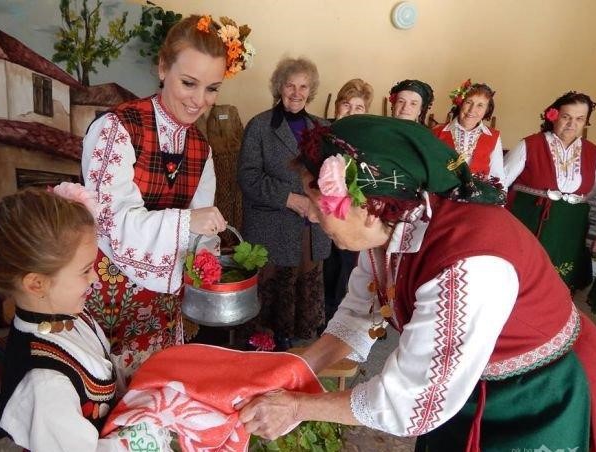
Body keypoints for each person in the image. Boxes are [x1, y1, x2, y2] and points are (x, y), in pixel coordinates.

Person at [237, 115, 596, 451]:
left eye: (319, 205)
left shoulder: (469, 265)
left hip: (535, 395)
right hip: (462, 386)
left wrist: (297, 407)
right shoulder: (395, 223)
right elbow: (362, 313)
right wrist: (299, 369)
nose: (311, 216)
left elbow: (410, 404)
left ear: (368, 205)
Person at [82, 15, 253, 374]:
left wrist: (208, 267)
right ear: (162, 68)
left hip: (162, 304)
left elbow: (201, 230)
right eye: (189, 83)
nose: (199, 101)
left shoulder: (200, 147)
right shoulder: (116, 129)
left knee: (158, 390)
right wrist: (189, 220)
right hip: (104, 295)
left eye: (212, 88)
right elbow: (112, 223)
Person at [0, 185, 172, 451]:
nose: (95, 278)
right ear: (36, 284)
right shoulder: (45, 384)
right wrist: (146, 440)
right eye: (85, 270)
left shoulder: (71, 315)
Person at [237, 57, 330, 350]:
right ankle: (264, 346)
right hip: (272, 227)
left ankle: (295, 351)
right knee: (272, 296)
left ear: (311, 90)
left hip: (311, 229)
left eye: (304, 86)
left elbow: (332, 174)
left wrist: (322, 203)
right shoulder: (260, 126)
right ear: (280, 87)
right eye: (290, 85)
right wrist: (290, 199)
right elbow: (247, 178)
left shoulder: (321, 127)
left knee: (302, 291)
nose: (296, 92)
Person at [504, 91, 596, 292]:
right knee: (523, 278)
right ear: (553, 116)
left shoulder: (592, 152)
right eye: (566, 117)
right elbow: (500, 185)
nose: (572, 124)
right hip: (531, 223)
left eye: (580, 119)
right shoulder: (530, 145)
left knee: (561, 283)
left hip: (570, 229)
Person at [323, 78, 374, 322]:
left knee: (349, 268)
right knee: (326, 267)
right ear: (336, 108)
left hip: (353, 214)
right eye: (346, 105)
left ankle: (342, 319)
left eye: (359, 108)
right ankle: (324, 316)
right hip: (321, 212)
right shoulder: (322, 135)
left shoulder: (370, 142)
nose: (351, 112)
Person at [433, 79, 504, 182]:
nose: (472, 110)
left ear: (487, 110)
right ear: (460, 104)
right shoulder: (436, 132)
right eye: (468, 102)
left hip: (477, 196)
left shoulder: (493, 137)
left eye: (480, 105)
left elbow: (497, 176)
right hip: (441, 194)